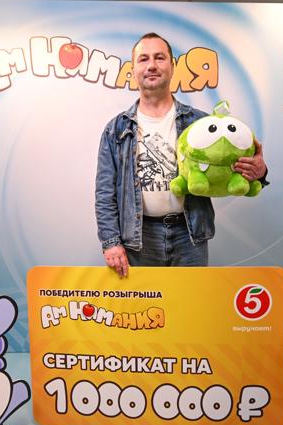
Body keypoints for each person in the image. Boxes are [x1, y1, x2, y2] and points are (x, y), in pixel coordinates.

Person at [95, 33, 267, 277]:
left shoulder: (201, 123)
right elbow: (105, 192)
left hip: (189, 235)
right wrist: (111, 242)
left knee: (190, 301)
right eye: (143, 59)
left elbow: (228, 170)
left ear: (172, 66)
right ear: (133, 70)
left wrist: (259, 173)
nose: (152, 65)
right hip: (138, 239)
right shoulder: (116, 129)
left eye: (159, 58)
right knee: (146, 302)